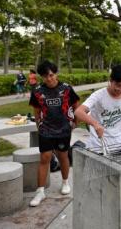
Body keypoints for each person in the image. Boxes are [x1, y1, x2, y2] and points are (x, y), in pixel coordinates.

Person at [29, 60, 80, 207]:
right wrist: (38, 123)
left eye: (51, 75)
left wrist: (76, 122)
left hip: (64, 129)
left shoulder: (66, 89)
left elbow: (76, 105)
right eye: (45, 76)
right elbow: (36, 110)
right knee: (44, 157)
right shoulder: (38, 91)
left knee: (62, 155)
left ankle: (65, 182)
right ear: (42, 77)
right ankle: (40, 192)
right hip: (46, 129)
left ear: (55, 73)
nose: (49, 79)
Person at [75, 64, 121, 151]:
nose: (120, 89)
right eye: (117, 85)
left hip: (119, 144)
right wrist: (95, 124)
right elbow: (78, 112)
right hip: (98, 145)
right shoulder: (99, 95)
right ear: (111, 80)